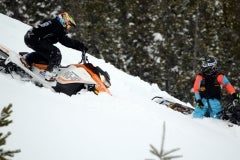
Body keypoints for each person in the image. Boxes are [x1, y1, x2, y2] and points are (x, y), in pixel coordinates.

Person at [21, 12, 88, 81]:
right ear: (64, 20)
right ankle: (50, 74)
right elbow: (66, 41)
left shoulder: (54, 23)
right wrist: (81, 46)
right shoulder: (57, 25)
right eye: (69, 25)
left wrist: (80, 47)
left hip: (31, 37)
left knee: (48, 57)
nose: (68, 28)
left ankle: (28, 59)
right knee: (56, 53)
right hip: (34, 38)